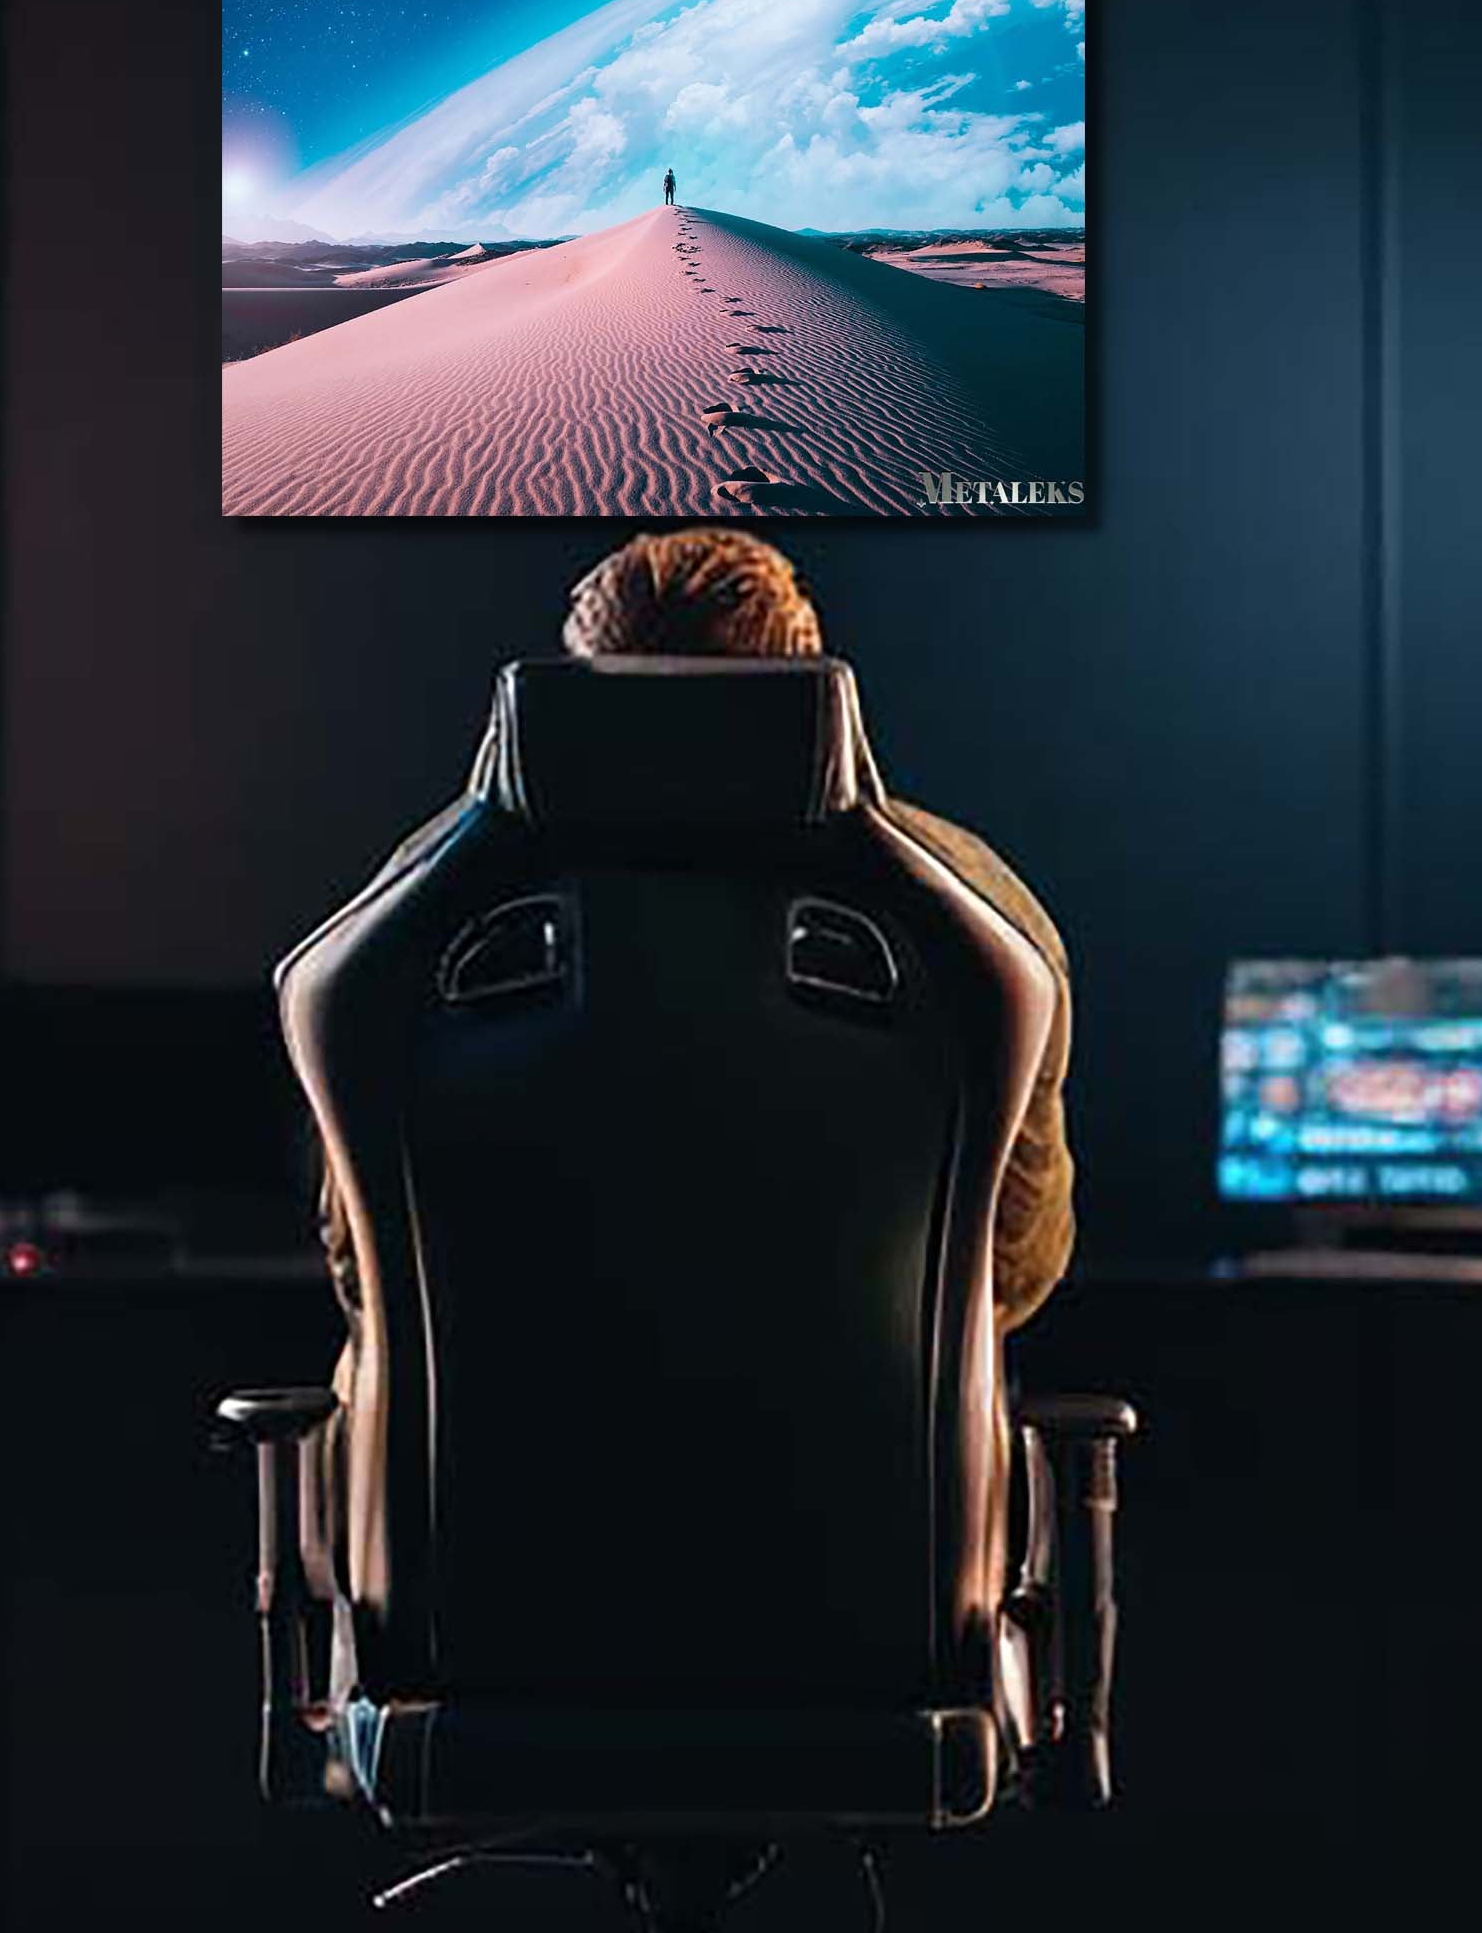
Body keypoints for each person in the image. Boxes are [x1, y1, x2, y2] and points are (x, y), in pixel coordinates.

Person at [310, 525, 1074, 1339]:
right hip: (862, 1451)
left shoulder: (426, 905)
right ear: (810, 685)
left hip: (501, 1445)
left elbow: (362, 1264)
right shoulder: (975, 918)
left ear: (573, 697)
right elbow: (1012, 1267)